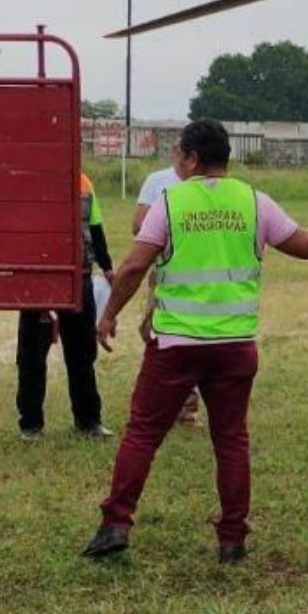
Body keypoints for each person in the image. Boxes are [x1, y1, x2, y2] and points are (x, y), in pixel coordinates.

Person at [82, 119, 308, 563]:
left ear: (191, 158)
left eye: (179, 157)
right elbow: (307, 246)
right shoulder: (254, 201)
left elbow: (133, 266)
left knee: (143, 433)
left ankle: (116, 523)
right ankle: (232, 537)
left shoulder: (170, 202)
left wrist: (109, 313)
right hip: (235, 346)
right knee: (231, 439)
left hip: (175, 346)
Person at [16, 171, 114, 439]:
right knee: (32, 356)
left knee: (83, 354)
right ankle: (31, 424)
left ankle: (88, 421)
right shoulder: (27, 179)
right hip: (38, 277)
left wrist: (106, 267)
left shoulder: (84, 182)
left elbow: (94, 228)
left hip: (77, 275)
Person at [134, 142, 202, 427]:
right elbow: (138, 225)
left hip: (202, 274)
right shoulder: (158, 182)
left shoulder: (209, 188)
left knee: (195, 336)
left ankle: (187, 408)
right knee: (156, 329)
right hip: (165, 271)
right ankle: (164, 400)